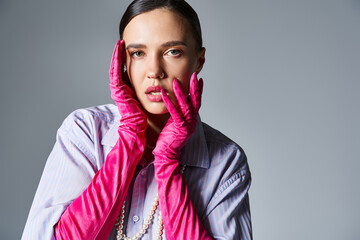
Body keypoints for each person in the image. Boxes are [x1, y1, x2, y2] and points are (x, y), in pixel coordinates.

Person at [22, 0, 252, 239]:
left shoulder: (226, 160)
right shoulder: (85, 131)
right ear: (123, 62)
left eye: (173, 52)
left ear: (199, 61)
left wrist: (167, 160)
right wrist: (130, 139)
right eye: (138, 53)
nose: (154, 71)